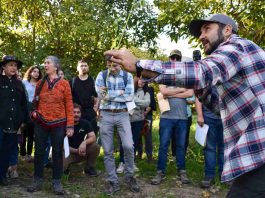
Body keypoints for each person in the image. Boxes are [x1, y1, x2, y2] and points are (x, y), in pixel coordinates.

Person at [105, 13, 265, 197]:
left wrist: (139, 65)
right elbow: (220, 107)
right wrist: (200, 89)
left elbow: (201, 72)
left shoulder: (237, 46)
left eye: (207, 28)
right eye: (200, 31)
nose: (201, 36)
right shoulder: (234, 60)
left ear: (227, 30)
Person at [27, 56, 74, 195]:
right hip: (41, 122)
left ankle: (57, 181)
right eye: (45, 63)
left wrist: (70, 125)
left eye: (48, 63)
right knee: (39, 151)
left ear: (56, 66)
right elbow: (35, 100)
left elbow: (69, 105)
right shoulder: (40, 83)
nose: (45, 65)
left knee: (58, 153)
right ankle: (37, 179)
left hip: (59, 122)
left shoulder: (65, 83)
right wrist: (34, 112)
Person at [95, 59, 140, 195]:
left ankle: (129, 176)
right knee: (108, 150)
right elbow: (100, 95)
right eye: (109, 65)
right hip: (106, 115)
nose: (112, 68)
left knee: (128, 146)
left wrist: (109, 95)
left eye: (114, 65)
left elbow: (129, 96)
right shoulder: (101, 75)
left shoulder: (128, 76)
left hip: (123, 114)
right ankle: (112, 180)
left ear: (120, 64)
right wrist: (119, 93)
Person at [151, 81, 193, 185]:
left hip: (182, 118)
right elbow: (163, 91)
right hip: (166, 118)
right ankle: (160, 171)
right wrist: (181, 90)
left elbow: (190, 93)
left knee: (181, 146)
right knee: (163, 145)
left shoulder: (185, 77)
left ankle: (182, 171)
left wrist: (170, 93)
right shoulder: (164, 77)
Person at [0, 55, 28, 186]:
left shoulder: (19, 84)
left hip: (13, 124)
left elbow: (23, 104)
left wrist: (22, 120)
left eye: (15, 65)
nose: (13, 67)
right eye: (10, 65)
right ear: (3, 67)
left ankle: (3, 176)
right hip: (1, 123)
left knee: (7, 150)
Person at [117, 77, 150, 173]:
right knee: (123, 142)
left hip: (138, 120)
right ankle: (122, 162)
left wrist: (132, 99)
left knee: (134, 142)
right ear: (135, 80)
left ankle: (131, 162)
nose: (142, 82)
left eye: (144, 81)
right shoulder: (128, 89)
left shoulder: (146, 92)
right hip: (125, 119)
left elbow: (146, 103)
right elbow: (122, 100)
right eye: (141, 80)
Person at [195, 88, 224, 188]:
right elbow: (198, 96)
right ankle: (209, 176)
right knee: (210, 148)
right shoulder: (206, 76)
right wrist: (199, 115)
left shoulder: (229, 75)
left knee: (223, 148)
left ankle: (224, 175)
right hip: (208, 118)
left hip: (226, 118)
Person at [63, 103, 100, 176]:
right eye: (74, 112)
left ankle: (89, 168)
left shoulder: (85, 123)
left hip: (81, 151)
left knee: (95, 146)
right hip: (67, 152)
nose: (76, 114)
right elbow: (61, 145)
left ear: (81, 113)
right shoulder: (64, 124)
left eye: (78, 112)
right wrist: (76, 151)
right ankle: (66, 168)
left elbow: (93, 137)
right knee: (61, 171)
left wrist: (84, 142)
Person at [70, 59, 99, 135]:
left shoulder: (93, 81)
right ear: (77, 68)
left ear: (88, 67)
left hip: (90, 113)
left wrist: (96, 109)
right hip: (76, 114)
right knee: (77, 137)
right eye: (81, 66)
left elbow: (97, 97)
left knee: (92, 136)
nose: (84, 67)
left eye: (85, 65)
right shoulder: (73, 81)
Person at [20, 66, 42, 162]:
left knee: (32, 133)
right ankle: (23, 154)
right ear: (30, 72)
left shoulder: (40, 84)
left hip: (36, 110)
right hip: (25, 109)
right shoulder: (24, 82)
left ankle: (29, 154)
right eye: (34, 71)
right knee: (23, 133)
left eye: (38, 72)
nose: (36, 73)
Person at [137, 83, 156, 162]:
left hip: (147, 115)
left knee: (148, 135)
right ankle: (139, 154)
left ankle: (149, 156)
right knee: (137, 135)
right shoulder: (135, 89)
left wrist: (145, 113)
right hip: (136, 115)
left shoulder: (150, 89)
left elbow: (152, 104)